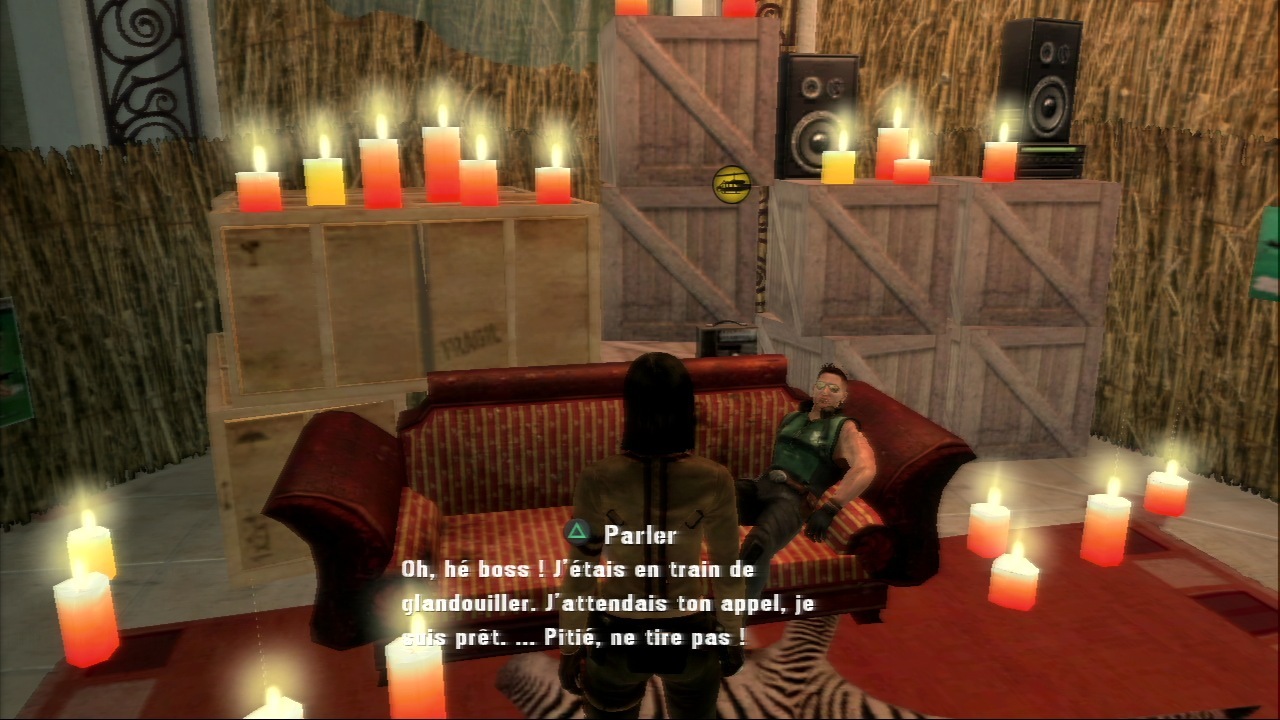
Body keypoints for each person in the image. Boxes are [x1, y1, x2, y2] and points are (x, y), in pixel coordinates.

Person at [558, 352, 746, 719]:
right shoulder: (714, 477)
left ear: (631, 408)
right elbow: (727, 569)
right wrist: (733, 636)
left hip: (616, 638)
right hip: (690, 635)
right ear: (686, 407)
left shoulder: (597, 478)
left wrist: (570, 646)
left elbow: (581, 572)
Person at [736, 363, 877, 601]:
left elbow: (866, 468)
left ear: (843, 397)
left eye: (834, 389)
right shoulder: (792, 418)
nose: (825, 392)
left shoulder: (844, 428)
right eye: (821, 385)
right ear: (813, 389)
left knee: (757, 546)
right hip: (762, 486)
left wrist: (832, 507)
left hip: (793, 500)